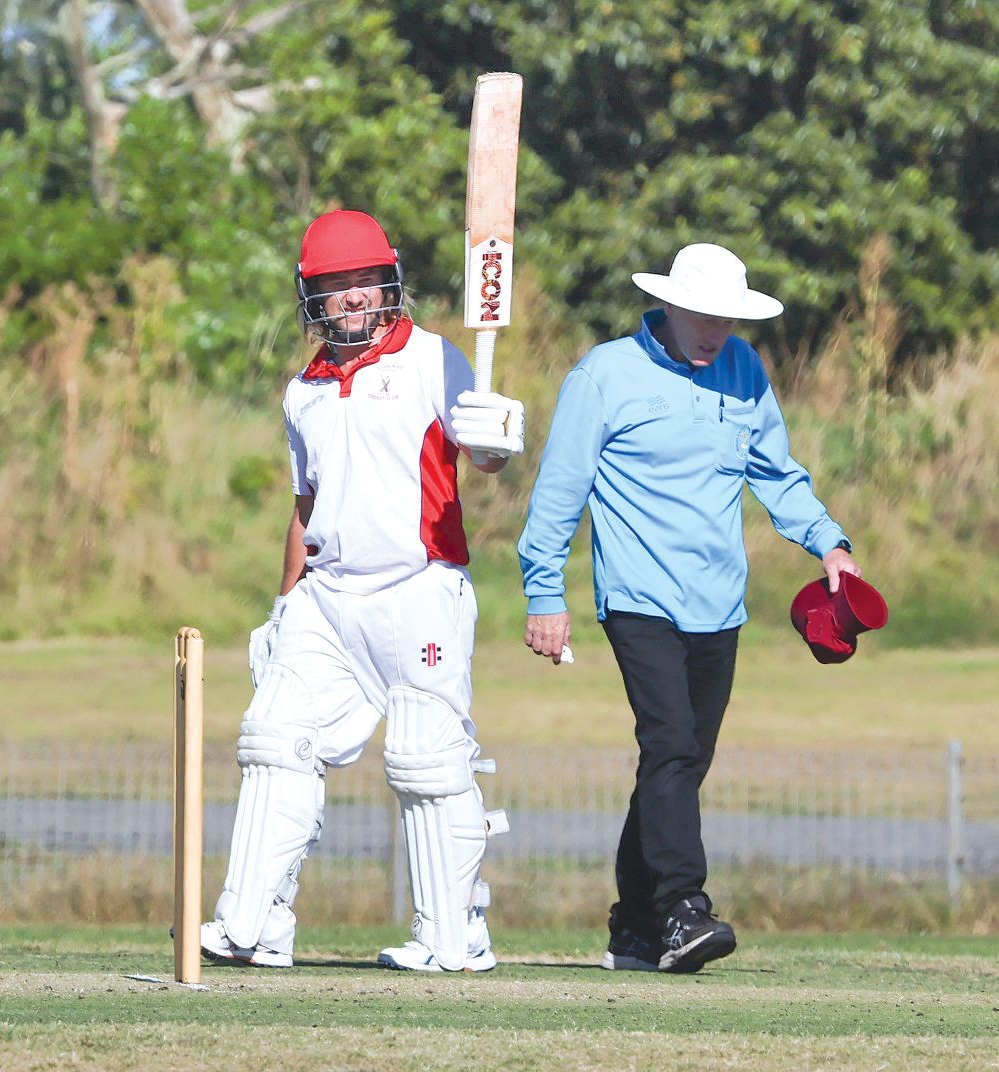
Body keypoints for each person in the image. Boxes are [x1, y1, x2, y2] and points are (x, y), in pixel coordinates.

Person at [517, 243, 860, 974]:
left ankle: (634, 928)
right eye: (703, 315)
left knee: (678, 765)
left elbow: (778, 474)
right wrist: (544, 593)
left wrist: (830, 545)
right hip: (637, 597)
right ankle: (683, 909)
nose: (714, 331)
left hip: (719, 603)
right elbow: (559, 491)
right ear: (668, 305)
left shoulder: (744, 370)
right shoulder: (604, 375)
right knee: (670, 747)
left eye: (727, 319)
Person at [200, 209, 524, 973]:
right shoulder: (302, 391)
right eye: (335, 284)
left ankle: (454, 935)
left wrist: (496, 441)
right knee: (274, 738)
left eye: (365, 281)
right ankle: (255, 924)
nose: (352, 296)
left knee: (426, 759)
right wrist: (284, 605)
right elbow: (304, 506)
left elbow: (483, 460)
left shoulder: (435, 358)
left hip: (420, 588)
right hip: (327, 597)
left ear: (389, 284)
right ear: (311, 295)